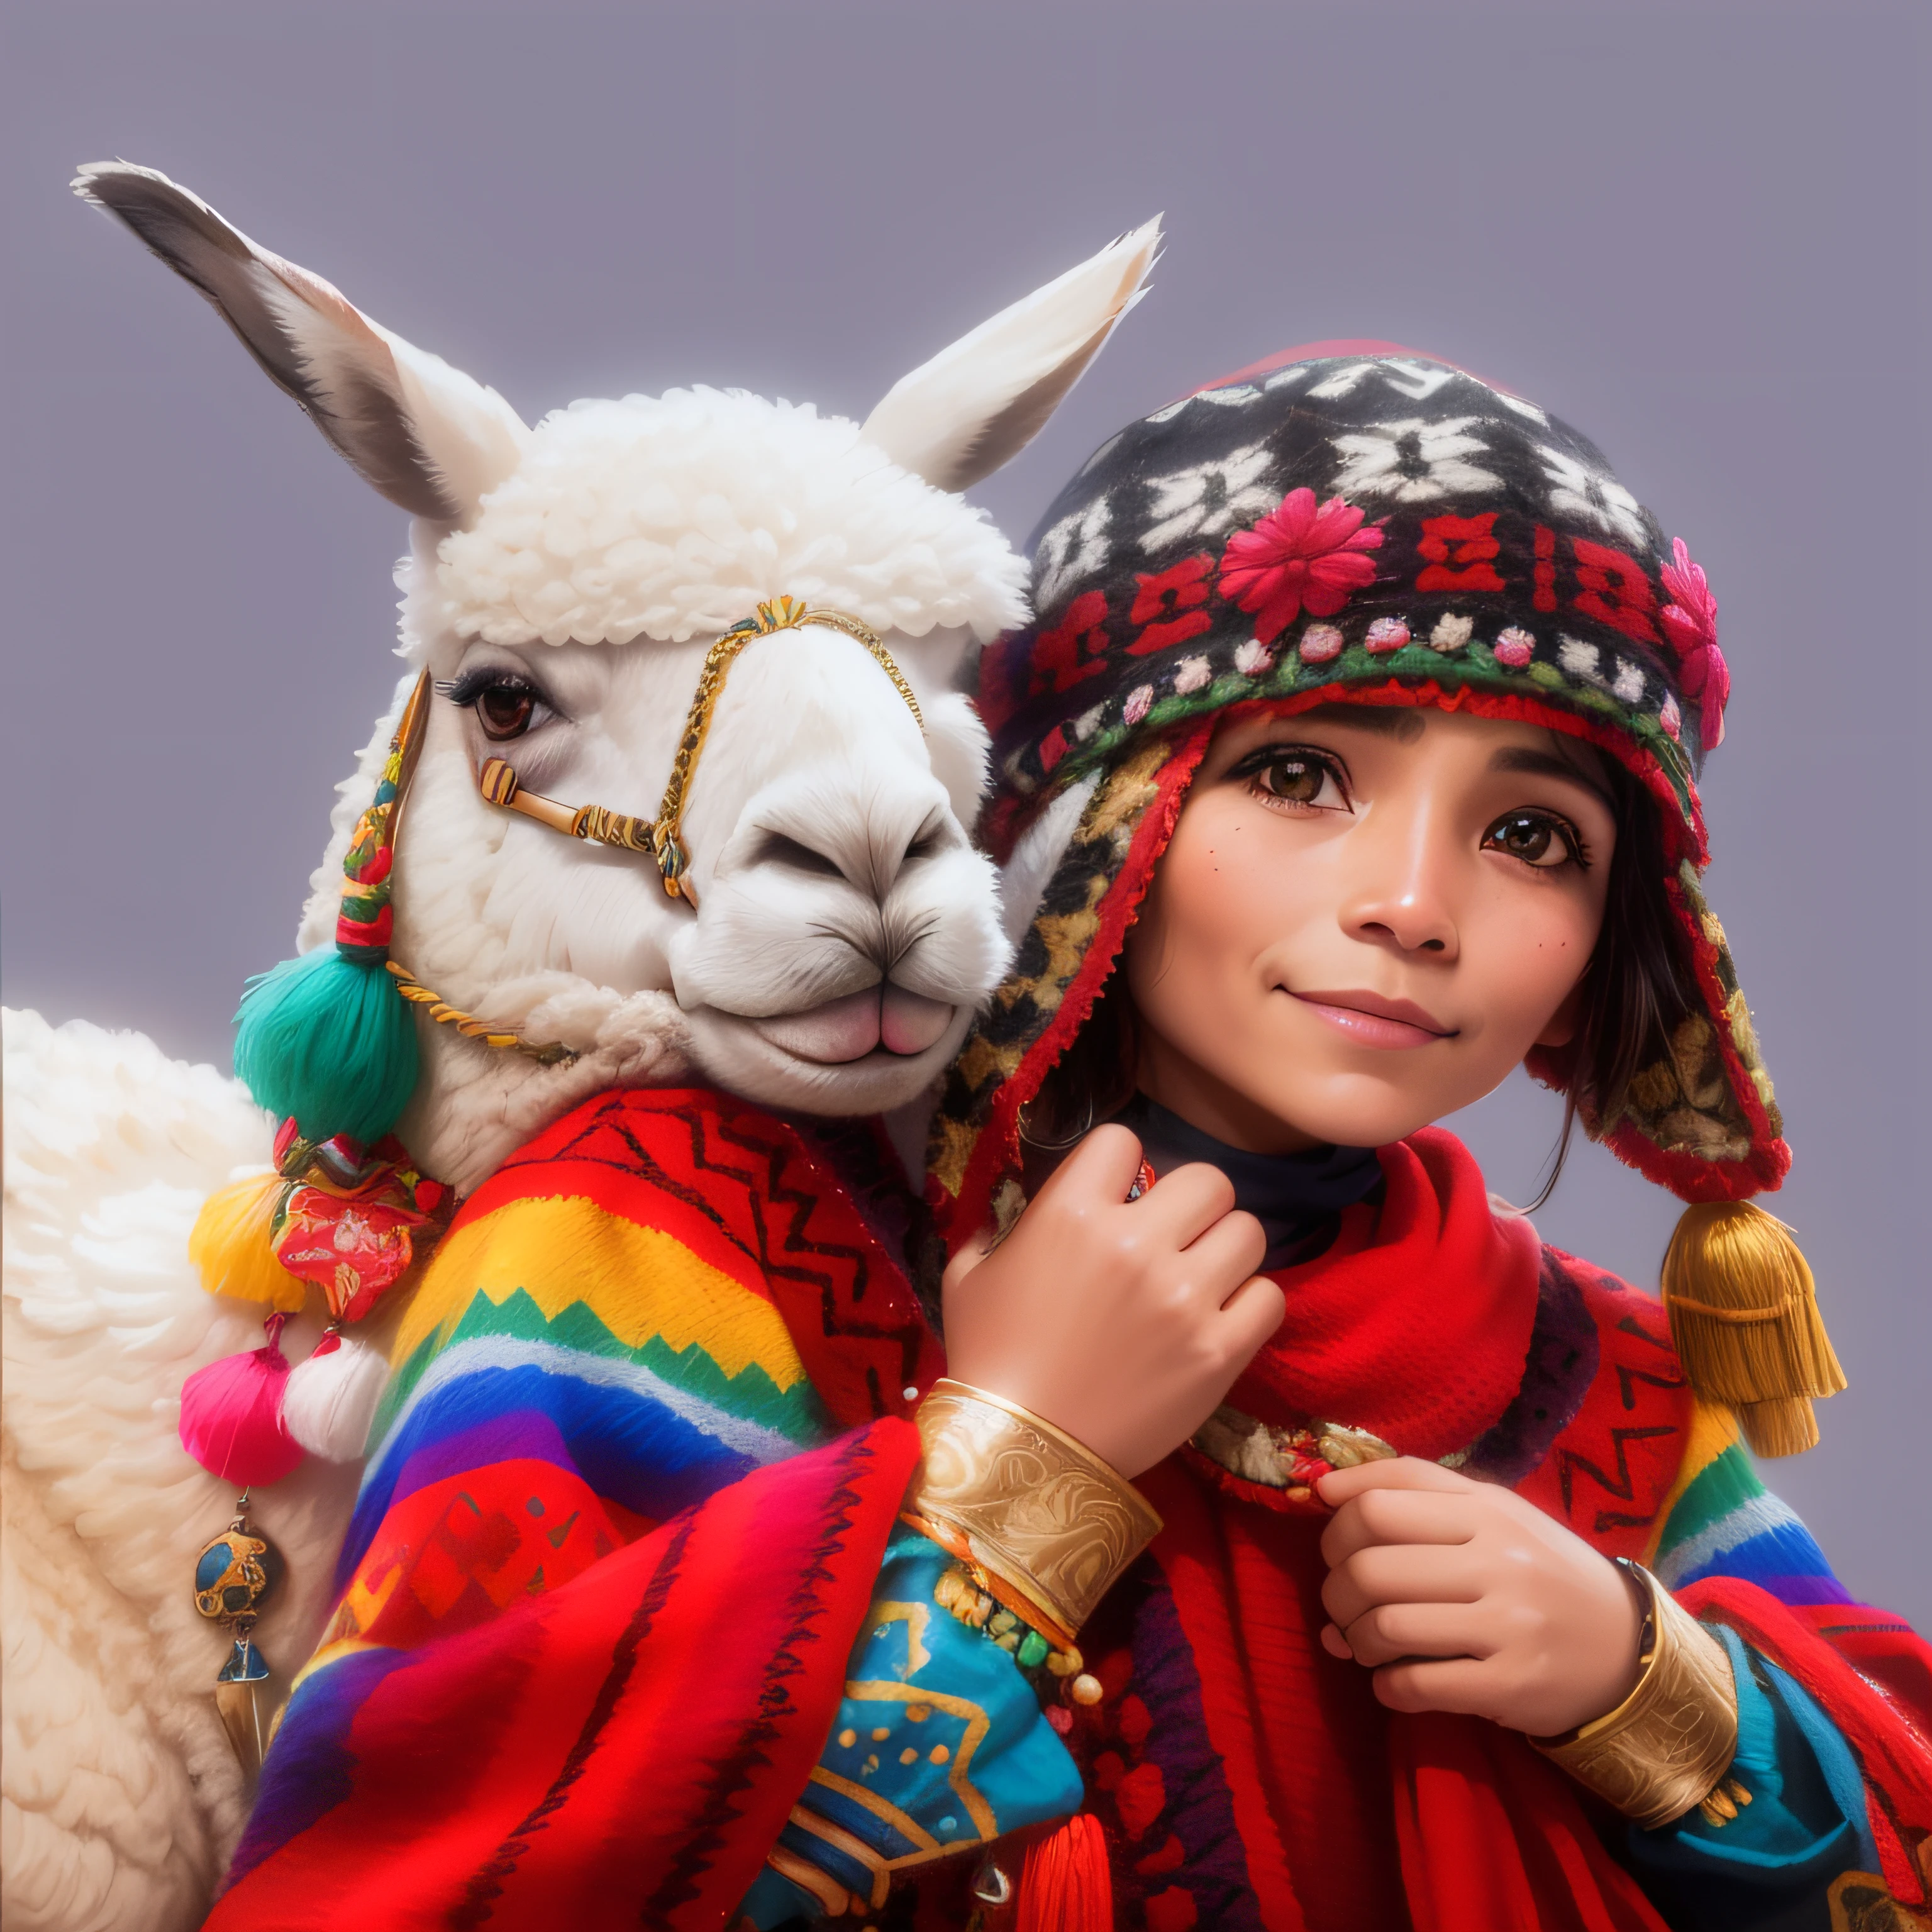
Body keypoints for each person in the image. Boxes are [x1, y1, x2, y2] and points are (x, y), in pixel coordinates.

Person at [767, 343, 1929, 1930]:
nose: (1411, 905)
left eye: (1532, 837)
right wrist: (1014, 1461)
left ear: (1609, 954)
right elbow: (539, 1840)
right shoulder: (783, 1267)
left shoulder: (1613, 1385)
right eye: (1301, 775)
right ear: (1087, 832)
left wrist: (1644, 1679)